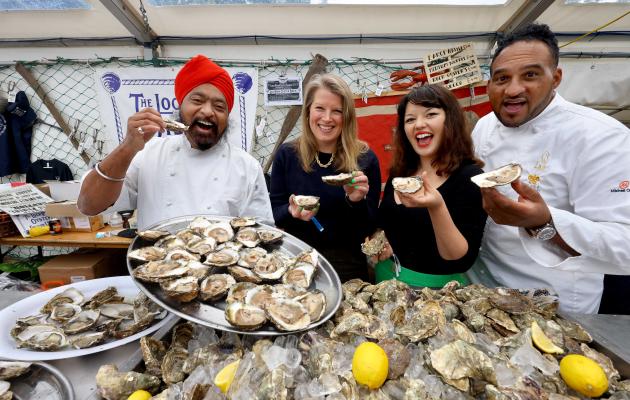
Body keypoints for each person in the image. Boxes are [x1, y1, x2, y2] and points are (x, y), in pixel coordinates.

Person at [471, 23, 630, 314]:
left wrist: (542, 224)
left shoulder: (601, 137)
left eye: (530, 75)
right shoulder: (484, 127)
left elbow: (625, 247)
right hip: (483, 289)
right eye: (502, 78)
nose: (513, 89)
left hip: (552, 301)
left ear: (556, 78)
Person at [78, 55, 273, 229]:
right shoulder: (148, 154)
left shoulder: (246, 167)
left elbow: (260, 232)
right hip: (154, 267)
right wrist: (127, 148)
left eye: (219, 106)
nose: (207, 111)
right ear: (181, 106)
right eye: (197, 101)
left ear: (227, 117)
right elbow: (89, 205)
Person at [369, 84, 487, 288]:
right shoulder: (401, 172)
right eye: (410, 119)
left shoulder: (470, 178)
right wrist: (382, 240)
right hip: (386, 280)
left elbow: (460, 259)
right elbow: (384, 222)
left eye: (430, 114)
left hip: (434, 293)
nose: (419, 124)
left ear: (450, 120)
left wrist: (436, 206)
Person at [269, 73, 381, 282]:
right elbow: (274, 211)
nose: (327, 118)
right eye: (320, 108)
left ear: (346, 116)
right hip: (294, 259)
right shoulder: (287, 154)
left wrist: (355, 200)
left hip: (347, 265)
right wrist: (290, 211)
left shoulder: (365, 159)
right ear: (308, 110)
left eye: (337, 111)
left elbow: (368, 229)